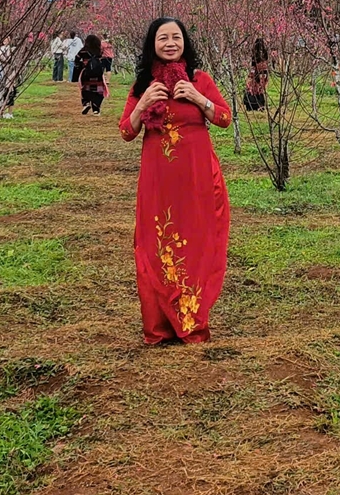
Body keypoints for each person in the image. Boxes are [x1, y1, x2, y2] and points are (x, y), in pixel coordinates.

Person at [119, 17, 233, 345]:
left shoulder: (200, 79)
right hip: (159, 182)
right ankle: (159, 327)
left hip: (197, 177)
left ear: (185, 42)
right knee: (155, 247)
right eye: (163, 38)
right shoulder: (143, 85)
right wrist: (142, 105)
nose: (170, 43)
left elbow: (225, 119)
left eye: (176, 37)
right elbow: (126, 132)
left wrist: (199, 98)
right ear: (152, 44)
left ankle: (192, 322)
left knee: (198, 245)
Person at [76, 33, 109, 115]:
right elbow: (103, 60)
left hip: (86, 73)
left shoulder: (83, 50)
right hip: (97, 73)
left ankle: (86, 103)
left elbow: (76, 59)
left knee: (85, 88)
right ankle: (96, 109)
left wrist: (80, 66)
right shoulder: (99, 51)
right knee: (98, 90)